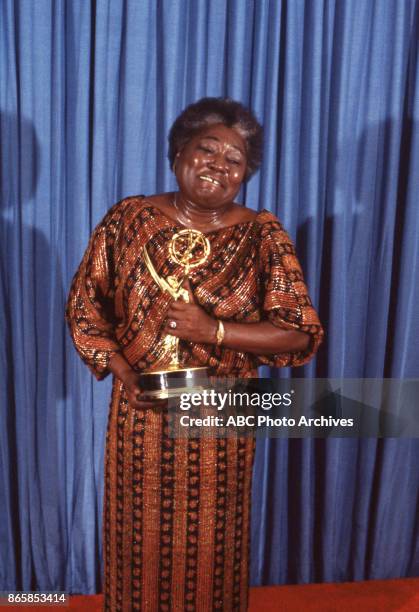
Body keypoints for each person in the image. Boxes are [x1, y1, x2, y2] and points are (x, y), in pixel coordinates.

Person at [66, 97, 323, 612]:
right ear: (178, 150)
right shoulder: (128, 220)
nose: (218, 165)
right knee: (136, 544)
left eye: (235, 159)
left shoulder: (261, 236)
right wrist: (124, 374)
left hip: (220, 412)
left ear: (245, 174)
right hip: (139, 416)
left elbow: (299, 334)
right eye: (208, 149)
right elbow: (85, 308)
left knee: (213, 549)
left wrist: (215, 330)